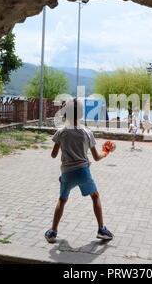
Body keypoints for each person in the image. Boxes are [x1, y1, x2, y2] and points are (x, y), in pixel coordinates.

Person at [45, 98, 114, 243]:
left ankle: (52, 232)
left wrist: (64, 147)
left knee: (62, 200)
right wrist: (106, 151)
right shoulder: (87, 133)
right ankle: (102, 229)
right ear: (81, 114)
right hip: (83, 172)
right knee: (95, 197)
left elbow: (53, 155)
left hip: (67, 173)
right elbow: (96, 157)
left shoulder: (61, 132)